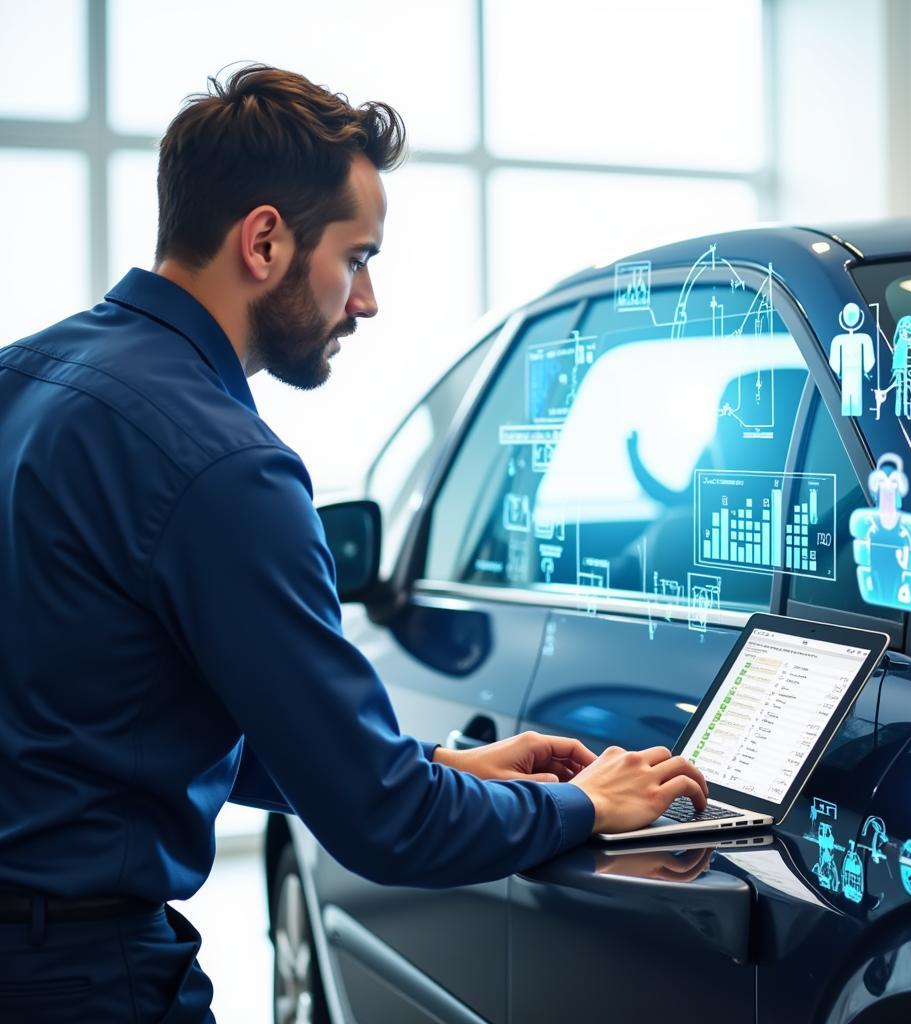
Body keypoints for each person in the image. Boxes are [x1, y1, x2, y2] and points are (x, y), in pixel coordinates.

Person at [0, 65, 707, 1022]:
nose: (365, 300)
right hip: (79, 976)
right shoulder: (228, 466)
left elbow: (110, 718)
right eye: (357, 257)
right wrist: (587, 808)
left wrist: (439, 768)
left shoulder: (26, 379)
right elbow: (387, 827)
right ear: (264, 241)